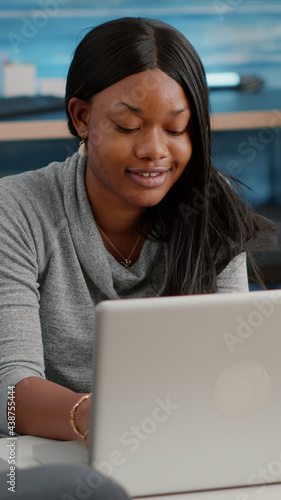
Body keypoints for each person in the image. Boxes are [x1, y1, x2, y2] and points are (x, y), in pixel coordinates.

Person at [0, 17, 274, 442]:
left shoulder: (210, 203)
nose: (154, 151)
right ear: (82, 117)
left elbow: (231, 364)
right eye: (128, 126)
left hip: (186, 445)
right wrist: (108, 420)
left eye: (175, 128)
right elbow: (9, 392)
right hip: (50, 462)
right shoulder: (16, 211)